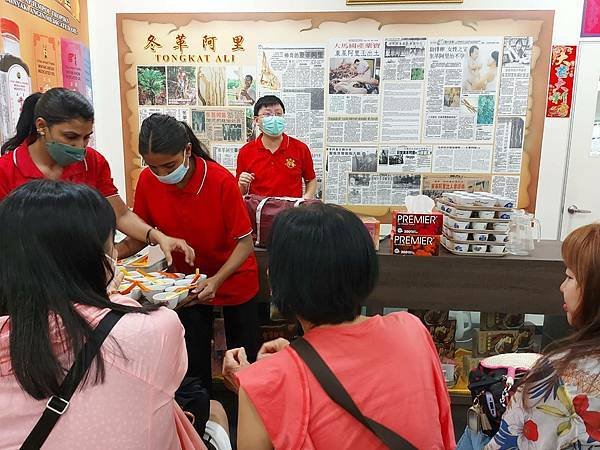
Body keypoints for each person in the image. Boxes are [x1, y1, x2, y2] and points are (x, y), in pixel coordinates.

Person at [0, 180, 231, 450]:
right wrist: (106, 298)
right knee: (212, 411)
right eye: (111, 246)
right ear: (93, 259)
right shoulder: (152, 331)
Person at [222, 203, 455, 449]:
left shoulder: (264, 383)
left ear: (276, 280)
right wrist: (287, 365)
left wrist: (255, 389)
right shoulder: (412, 330)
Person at [118, 113, 260, 393]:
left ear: (187, 150)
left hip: (233, 277)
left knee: (245, 360)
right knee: (191, 363)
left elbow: (244, 244)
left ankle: (246, 422)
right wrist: (113, 252)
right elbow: (140, 235)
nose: (161, 174)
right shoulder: (148, 181)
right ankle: (202, 420)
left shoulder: (219, 180)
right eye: (152, 166)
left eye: (168, 166)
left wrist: (216, 281)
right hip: (186, 285)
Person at [0, 88, 194, 267]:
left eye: (86, 137)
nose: (80, 146)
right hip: (28, 276)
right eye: (70, 137)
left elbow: (121, 214)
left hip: (82, 275)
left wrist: (156, 236)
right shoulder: (7, 170)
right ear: (42, 126)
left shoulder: (92, 161)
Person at [457, 223, 600, 449]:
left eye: (570, 277)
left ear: (594, 291)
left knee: (478, 427)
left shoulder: (558, 377)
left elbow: (508, 439)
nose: (562, 287)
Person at [236, 95, 317, 199]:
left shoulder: (300, 148)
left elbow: (310, 179)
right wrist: (242, 185)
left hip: (291, 212)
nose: (274, 118)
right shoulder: (246, 151)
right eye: (267, 114)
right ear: (256, 120)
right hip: (259, 211)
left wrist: (305, 200)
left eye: (278, 114)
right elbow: (240, 191)